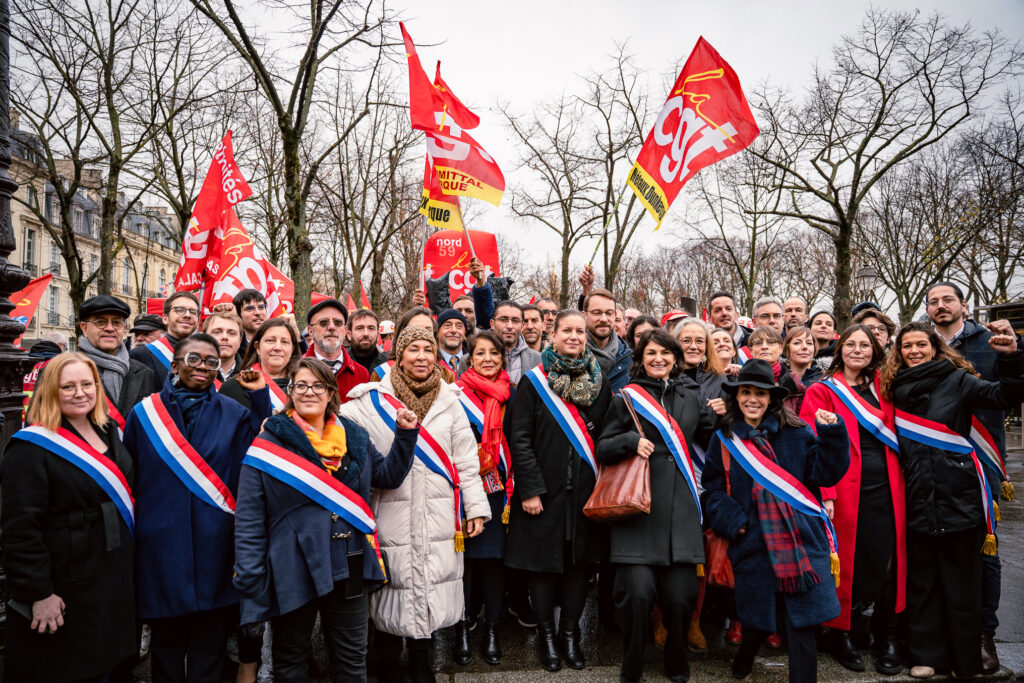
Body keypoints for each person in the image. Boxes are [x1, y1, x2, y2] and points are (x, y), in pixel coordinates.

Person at [233, 358, 418, 682]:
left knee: (352, 660)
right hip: (291, 565)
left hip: (350, 561)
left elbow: (388, 476)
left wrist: (405, 435)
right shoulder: (269, 443)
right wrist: (250, 576)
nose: (309, 392)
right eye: (301, 385)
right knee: (290, 661)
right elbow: (249, 519)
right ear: (290, 392)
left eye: (318, 385)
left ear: (331, 392)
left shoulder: (355, 436)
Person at [340, 326, 490, 683]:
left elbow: (466, 461)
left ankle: (423, 660)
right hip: (390, 508)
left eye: (428, 349)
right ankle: (388, 659)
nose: (422, 357)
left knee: (430, 584)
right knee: (395, 582)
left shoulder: (451, 401)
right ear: (398, 355)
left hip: (440, 512)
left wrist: (477, 508)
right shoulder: (367, 402)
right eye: (414, 350)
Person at [123, 333, 272, 683]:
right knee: (166, 649)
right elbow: (130, 476)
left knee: (210, 649)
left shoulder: (235, 414)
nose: (203, 367)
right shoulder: (144, 415)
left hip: (215, 548)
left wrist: (259, 395)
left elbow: (262, 447)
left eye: (211, 361)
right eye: (194, 359)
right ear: (175, 365)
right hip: (161, 548)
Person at [879, 321, 1024, 679]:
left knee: (962, 583)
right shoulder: (892, 388)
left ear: (934, 347)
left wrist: (1011, 358)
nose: (914, 351)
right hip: (914, 495)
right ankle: (926, 655)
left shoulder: (958, 379)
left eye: (920, 345)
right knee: (922, 583)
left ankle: (965, 660)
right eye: (907, 346)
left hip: (959, 496)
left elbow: (1004, 395)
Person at [702, 359, 849, 682]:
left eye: (760, 393)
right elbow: (711, 488)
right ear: (736, 397)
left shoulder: (798, 433)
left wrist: (833, 434)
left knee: (802, 624)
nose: (752, 399)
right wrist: (733, 520)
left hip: (801, 541)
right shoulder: (724, 438)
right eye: (745, 392)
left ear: (772, 399)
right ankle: (744, 660)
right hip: (753, 540)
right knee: (757, 619)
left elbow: (825, 473)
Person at [2, 353, 136, 683]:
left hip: (111, 572)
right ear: (50, 391)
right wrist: (38, 594)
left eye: (87, 384)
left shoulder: (108, 429)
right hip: (65, 578)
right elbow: (20, 529)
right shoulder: (30, 446)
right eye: (68, 386)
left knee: (109, 662)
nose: (80, 392)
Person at [598, 329, 715, 683]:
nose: (659, 359)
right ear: (641, 358)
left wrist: (719, 413)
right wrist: (631, 441)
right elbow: (603, 447)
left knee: (681, 598)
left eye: (665, 353)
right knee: (637, 595)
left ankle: (676, 659)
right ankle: (631, 660)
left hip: (680, 516)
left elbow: (708, 437)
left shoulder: (693, 395)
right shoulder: (627, 398)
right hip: (638, 514)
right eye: (651, 353)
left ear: (676, 358)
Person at [505, 310, 612, 672]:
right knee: (542, 568)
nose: (575, 336)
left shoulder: (600, 381)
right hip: (544, 493)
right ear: (554, 333)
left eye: (580, 331)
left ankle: (570, 635)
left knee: (580, 567)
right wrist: (530, 489)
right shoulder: (533, 382)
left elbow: (606, 436)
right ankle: (548, 637)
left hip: (586, 492)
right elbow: (519, 440)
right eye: (567, 329)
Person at [801, 325, 904, 675]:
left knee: (888, 562)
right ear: (839, 349)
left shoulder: (887, 388)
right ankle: (840, 632)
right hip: (845, 489)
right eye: (851, 345)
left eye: (865, 345)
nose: (857, 350)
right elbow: (811, 444)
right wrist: (825, 492)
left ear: (876, 350)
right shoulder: (822, 390)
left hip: (890, 487)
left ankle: (885, 634)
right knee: (848, 563)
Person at [924, 282, 1013, 673]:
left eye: (947, 300)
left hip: (980, 460)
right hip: (930, 461)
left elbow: (1010, 391)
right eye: (933, 302)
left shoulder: (990, 340)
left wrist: (1016, 354)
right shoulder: (918, 343)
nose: (940, 306)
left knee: (984, 548)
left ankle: (983, 633)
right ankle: (942, 630)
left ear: (963, 304)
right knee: (934, 547)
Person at [453, 330, 516, 666]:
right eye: (481, 353)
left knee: (494, 563)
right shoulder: (454, 394)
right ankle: (462, 627)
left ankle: (491, 628)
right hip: (466, 490)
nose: (488, 358)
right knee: (466, 565)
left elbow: (521, 439)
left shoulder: (513, 394)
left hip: (500, 493)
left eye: (494, 353)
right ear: (470, 357)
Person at [75, 295, 161, 425]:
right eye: (100, 322)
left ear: (123, 328)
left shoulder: (144, 373)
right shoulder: (61, 371)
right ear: (84, 328)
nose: (110, 328)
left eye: (116, 322)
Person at [221, 318, 302, 412]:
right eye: (270, 340)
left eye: (285, 342)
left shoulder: (303, 386)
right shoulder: (232, 388)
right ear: (257, 347)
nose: (278, 347)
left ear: (292, 349)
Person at [304, 298, 369, 404]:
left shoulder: (362, 374)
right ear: (310, 332)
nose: (331, 327)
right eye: (323, 322)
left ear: (345, 331)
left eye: (337, 322)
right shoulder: (295, 370)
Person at [129, 291, 200, 384]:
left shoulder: (205, 355)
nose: (187, 315)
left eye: (193, 312)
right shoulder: (140, 355)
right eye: (179, 310)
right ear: (165, 319)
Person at [583, 287, 632, 392]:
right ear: (585, 315)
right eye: (597, 313)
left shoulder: (631, 360)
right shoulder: (570, 357)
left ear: (615, 316)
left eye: (609, 313)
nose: (604, 319)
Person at [675, 318, 728, 406]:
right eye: (686, 340)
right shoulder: (667, 378)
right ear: (675, 343)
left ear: (707, 345)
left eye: (699, 341)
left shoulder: (718, 377)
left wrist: (728, 412)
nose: (693, 346)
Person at [488, 301, 541, 383]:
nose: (510, 326)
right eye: (503, 319)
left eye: (515, 320)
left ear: (522, 325)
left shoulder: (539, 360)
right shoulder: (472, 358)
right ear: (492, 324)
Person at [780, 326, 823, 414]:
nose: (804, 347)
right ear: (787, 348)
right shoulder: (778, 377)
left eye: (809, 343)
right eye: (797, 343)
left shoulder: (824, 380)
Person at [203, 310, 244, 380]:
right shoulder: (193, 371)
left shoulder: (251, 376)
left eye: (231, 333)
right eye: (217, 332)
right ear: (204, 338)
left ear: (240, 341)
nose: (225, 337)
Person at [348, 309, 389, 374]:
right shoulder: (339, 363)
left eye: (371, 328)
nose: (366, 334)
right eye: (359, 328)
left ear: (378, 335)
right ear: (349, 335)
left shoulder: (389, 364)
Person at [232, 289, 267, 356]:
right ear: (238, 314)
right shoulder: (232, 348)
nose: (257, 313)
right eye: (250, 308)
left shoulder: (277, 344)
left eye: (261, 307)